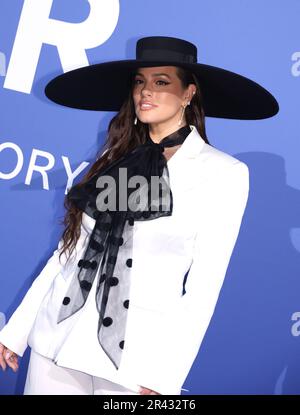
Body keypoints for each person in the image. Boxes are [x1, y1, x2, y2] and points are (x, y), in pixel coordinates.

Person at [0, 36, 278, 395]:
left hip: (136, 362)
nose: (146, 92)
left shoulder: (225, 172)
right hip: (56, 340)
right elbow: (69, 255)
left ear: (189, 93)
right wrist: (17, 331)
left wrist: (164, 378)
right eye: (139, 82)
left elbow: (203, 289)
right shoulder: (116, 158)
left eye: (162, 82)